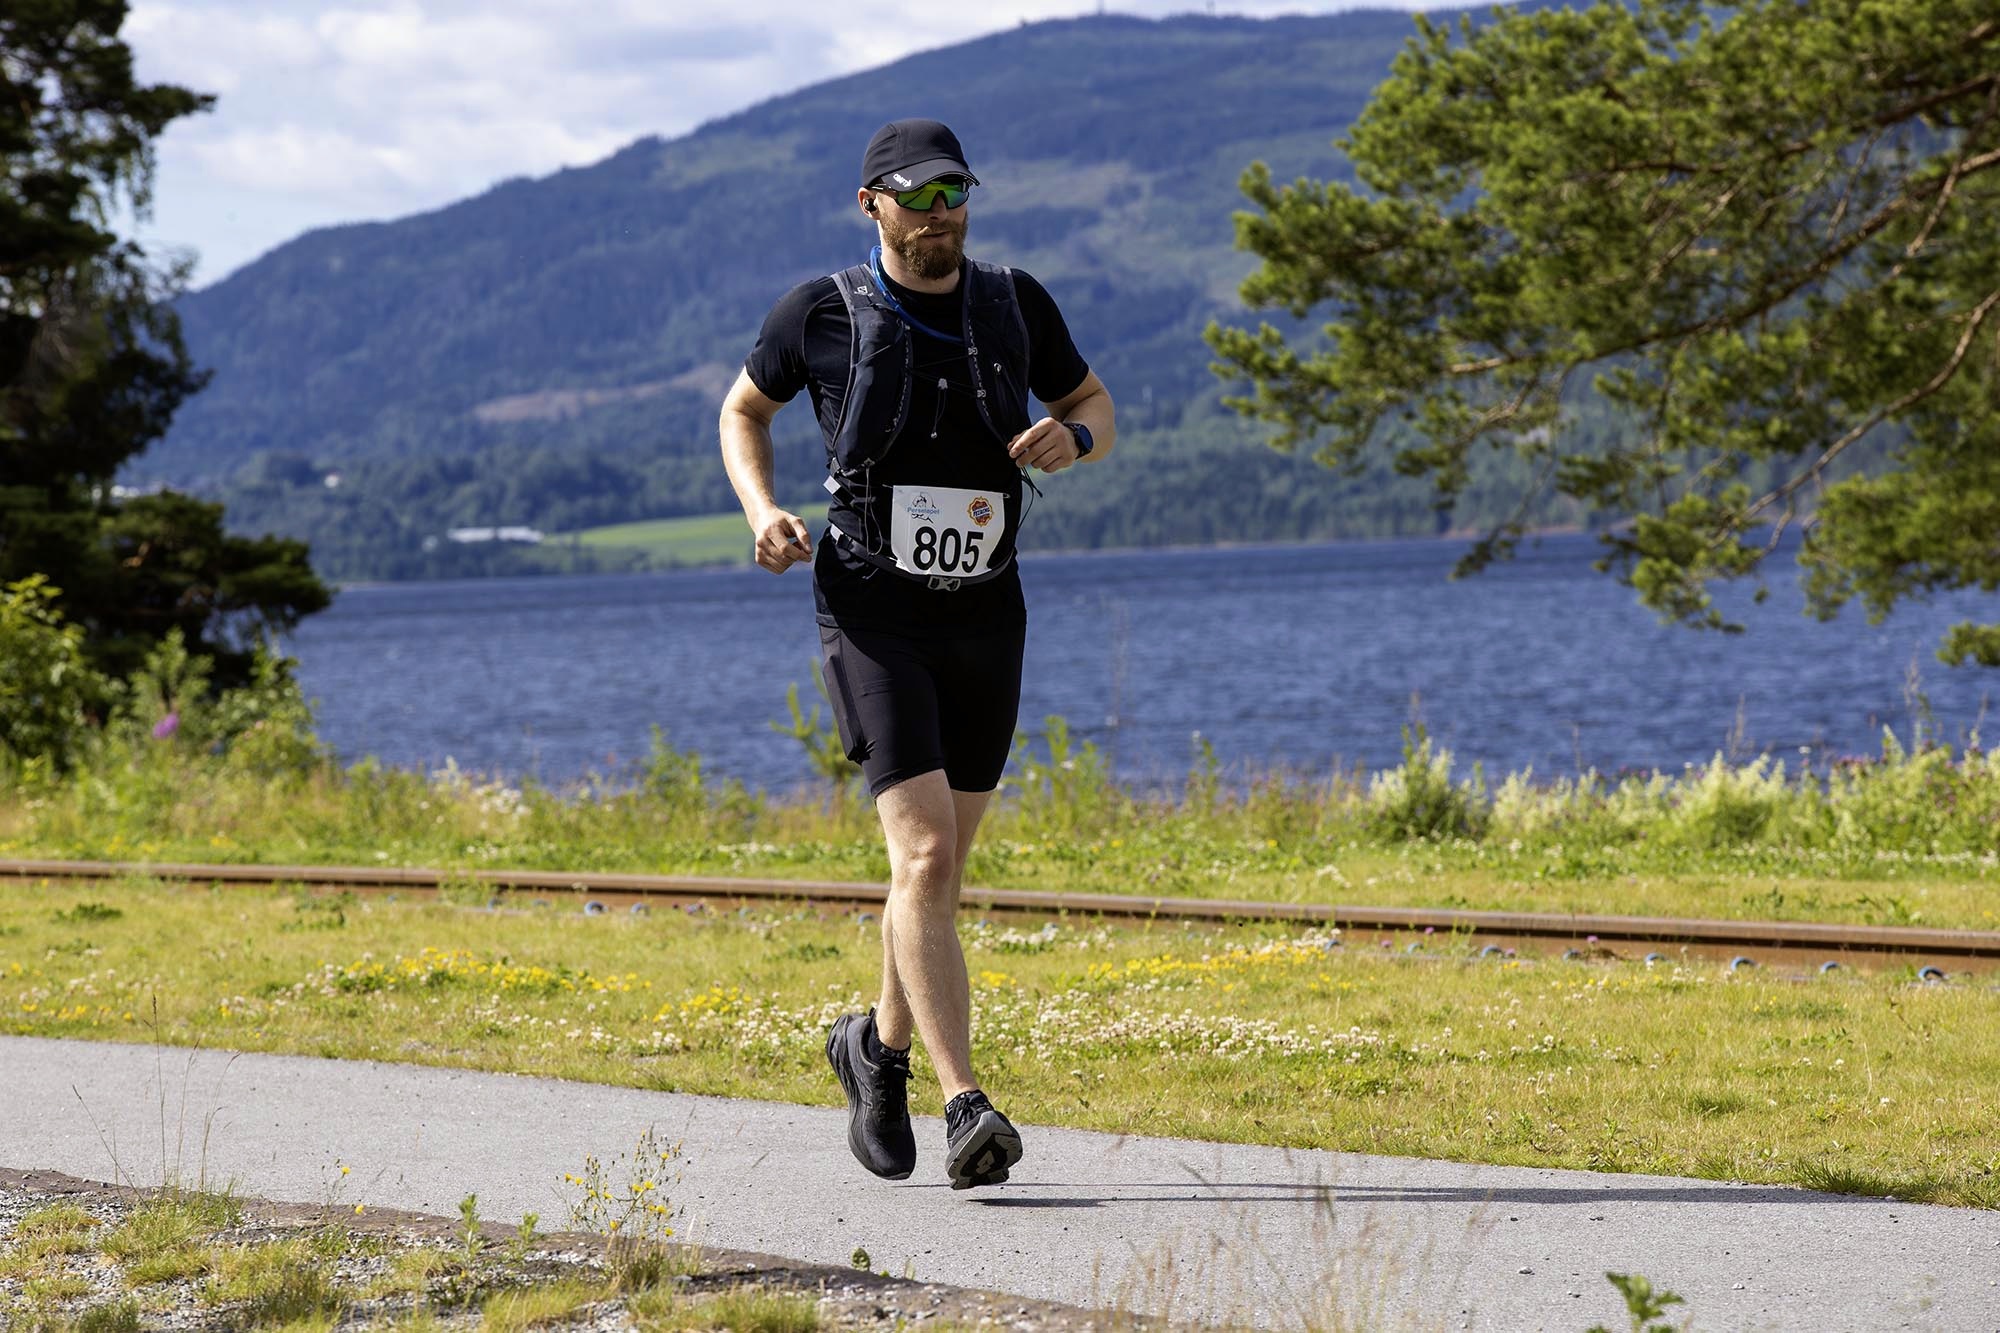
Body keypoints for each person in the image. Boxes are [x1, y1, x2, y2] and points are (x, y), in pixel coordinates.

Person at [718, 118, 1114, 1190]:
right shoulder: (821, 312)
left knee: (934, 874)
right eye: (916, 198)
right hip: (872, 612)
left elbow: (1094, 405)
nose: (939, 217)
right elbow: (741, 410)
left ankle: (873, 1050)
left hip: (986, 613)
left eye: (953, 196)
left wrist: (1068, 438)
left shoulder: (1013, 303)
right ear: (872, 206)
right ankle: (964, 1103)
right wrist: (761, 510)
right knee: (927, 857)